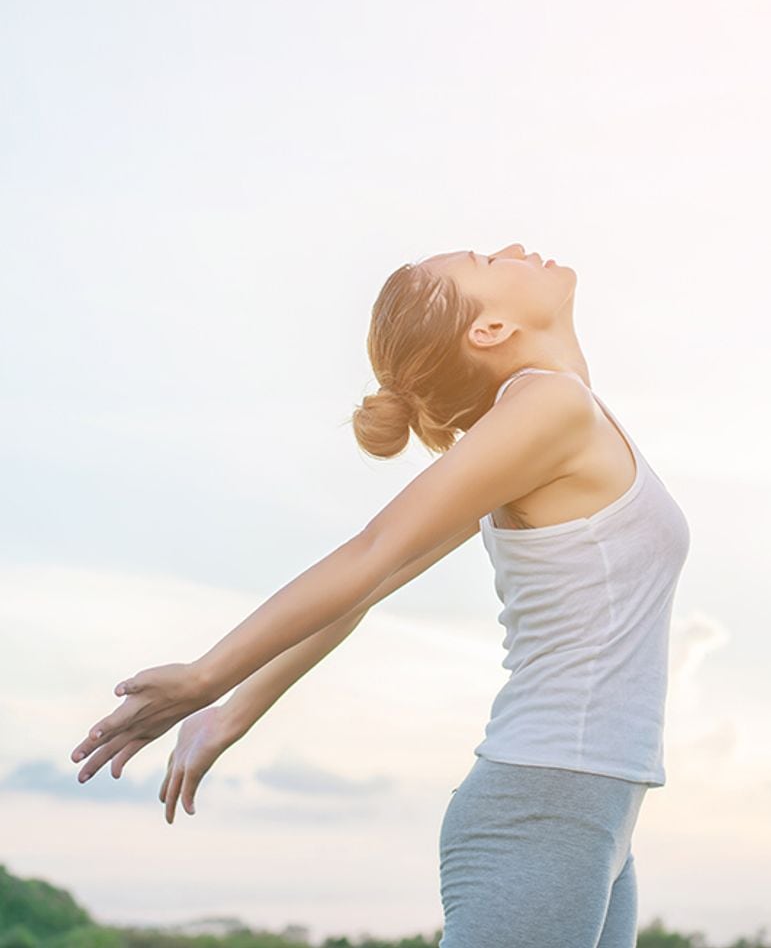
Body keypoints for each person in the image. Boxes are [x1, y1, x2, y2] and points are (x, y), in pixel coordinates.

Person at [70, 242, 691, 948]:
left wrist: (231, 712)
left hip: (592, 812)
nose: (514, 249)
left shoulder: (546, 425)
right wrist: (209, 676)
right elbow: (374, 553)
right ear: (487, 331)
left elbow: (372, 586)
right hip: (543, 807)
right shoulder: (551, 407)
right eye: (487, 261)